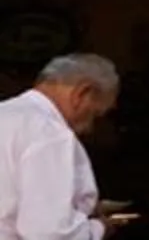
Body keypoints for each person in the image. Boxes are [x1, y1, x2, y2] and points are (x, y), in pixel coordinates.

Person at [0, 53, 120, 240]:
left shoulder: (5, 113)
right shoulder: (50, 133)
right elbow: (49, 232)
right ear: (83, 93)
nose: (89, 129)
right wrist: (98, 228)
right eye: (95, 115)